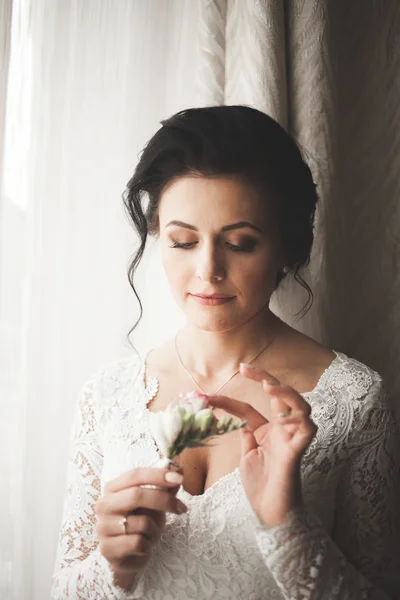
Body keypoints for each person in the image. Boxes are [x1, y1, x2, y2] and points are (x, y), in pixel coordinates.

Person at [51, 105, 400, 599]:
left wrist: (288, 528)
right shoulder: (104, 397)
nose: (208, 269)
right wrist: (112, 567)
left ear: (286, 247)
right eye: (183, 241)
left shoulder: (355, 401)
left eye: (239, 243)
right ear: (156, 236)